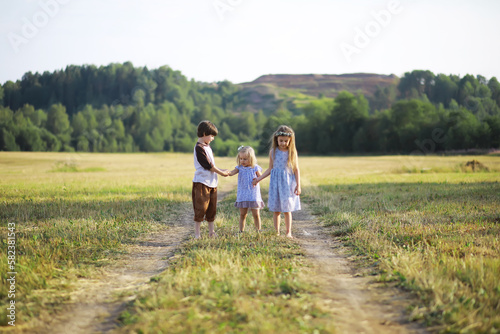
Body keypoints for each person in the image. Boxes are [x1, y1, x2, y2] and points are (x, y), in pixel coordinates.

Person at [253, 125, 301, 238]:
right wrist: (258, 179)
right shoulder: (273, 152)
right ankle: (276, 232)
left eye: (285, 141)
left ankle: (288, 232)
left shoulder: (292, 152)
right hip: (275, 184)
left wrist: (298, 185)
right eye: (281, 141)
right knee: (276, 209)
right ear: (276, 139)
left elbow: (296, 169)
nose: (283, 143)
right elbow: (270, 169)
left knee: (287, 209)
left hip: (287, 183)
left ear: (290, 141)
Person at [192, 120, 228, 239]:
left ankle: (211, 232)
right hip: (202, 182)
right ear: (203, 133)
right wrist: (221, 172)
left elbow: (212, 164)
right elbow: (208, 166)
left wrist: (222, 169)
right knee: (200, 208)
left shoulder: (207, 147)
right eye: (211, 135)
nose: (212, 138)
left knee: (212, 208)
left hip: (212, 183)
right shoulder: (199, 148)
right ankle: (197, 234)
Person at [227, 146, 264, 233]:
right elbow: (232, 173)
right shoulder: (239, 168)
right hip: (243, 194)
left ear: (251, 159)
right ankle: (241, 231)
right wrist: (226, 172)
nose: (242, 161)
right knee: (243, 214)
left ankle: (258, 230)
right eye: (241, 159)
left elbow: (261, 176)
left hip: (253, 194)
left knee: (256, 214)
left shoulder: (255, 168)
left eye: (245, 159)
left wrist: (257, 180)